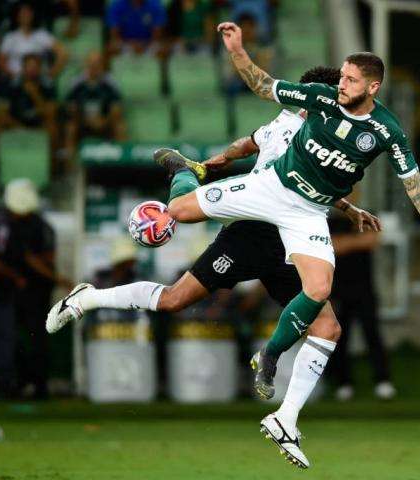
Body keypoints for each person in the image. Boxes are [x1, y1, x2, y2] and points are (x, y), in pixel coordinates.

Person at [52, 18, 420, 466]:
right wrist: (235, 56)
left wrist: (373, 215)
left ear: (372, 86)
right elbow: (253, 127)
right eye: (339, 80)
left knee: (327, 321)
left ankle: (284, 412)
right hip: (258, 218)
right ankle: (101, 283)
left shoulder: (380, 129)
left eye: (350, 80)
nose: (340, 88)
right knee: (175, 276)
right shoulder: (298, 114)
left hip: (301, 223)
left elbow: (362, 177)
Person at [47, 65, 378, 468]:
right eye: (334, 92)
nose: (341, 99)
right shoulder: (296, 125)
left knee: (328, 327)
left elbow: (251, 146)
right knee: (172, 301)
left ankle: (285, 419)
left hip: (292, 246)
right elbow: (281, 163)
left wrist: (347, 207)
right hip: (251, 235)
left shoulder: (311, 127)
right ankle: (90, 297)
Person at [0, 179, 67, 399]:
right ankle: (5, 384)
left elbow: (28, 258)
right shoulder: (3, 225)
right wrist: (17, 277)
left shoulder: (8, 224)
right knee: (5, 335)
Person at [328, 209, 396, 401]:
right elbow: (333, 246)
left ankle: (383, 381)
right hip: (338, 289)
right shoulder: (328, 219)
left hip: (365, 289)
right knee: (340, 337)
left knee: (372, 333)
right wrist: (355, 242)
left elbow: (372, 241)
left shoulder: (365, 215)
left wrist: (345, 242)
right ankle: (344, 383)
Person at [0, 53, 58, 169]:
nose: (32, 70)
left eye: (35, 67)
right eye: (29, 67)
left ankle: (50, 168)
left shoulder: (48, 85)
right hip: (17, 124)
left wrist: (35, 95)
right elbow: (1, 111)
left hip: (38, 125)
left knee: (52, 128)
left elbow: (51, 113)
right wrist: (17, 126)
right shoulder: (13, 84)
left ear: (40, 68)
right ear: (23, 68)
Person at [64, 51, 127, 160]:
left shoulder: (111, 83)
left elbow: (116, 110)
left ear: (102, 65)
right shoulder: (76, 83)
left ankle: (122, 163)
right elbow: (71, 109)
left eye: (97, 64)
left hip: (105, 122)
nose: (94, 67)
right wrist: (87, 120)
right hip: (82, 122)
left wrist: (104, 121)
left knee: (120, 127)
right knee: (70, 128)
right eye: (91, 64)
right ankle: (71, 167)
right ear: (86, 64)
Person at [0, 2, 68, 81]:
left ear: (33, 15)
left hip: (38, 79)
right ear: (17, 16)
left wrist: (52, 73)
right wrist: (13, 75)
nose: (26, 16)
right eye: (23, 13)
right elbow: (1, 62)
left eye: (28, 13)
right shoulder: (10, 37)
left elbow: (62, 53)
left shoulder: (42, 35)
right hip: (16, 80)